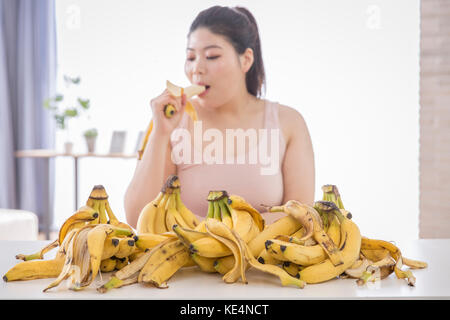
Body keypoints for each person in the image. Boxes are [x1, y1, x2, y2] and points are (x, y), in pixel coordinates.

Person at [124, 5, 315, 228]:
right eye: (191, 57)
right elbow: (138, 218)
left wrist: (206, 227)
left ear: (246, 60)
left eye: (212, 56)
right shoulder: (172, 124)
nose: (197, 69)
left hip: (269, 262)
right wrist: (161, 133)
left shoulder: (288, 123)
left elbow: (302, 219)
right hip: (185, 262)